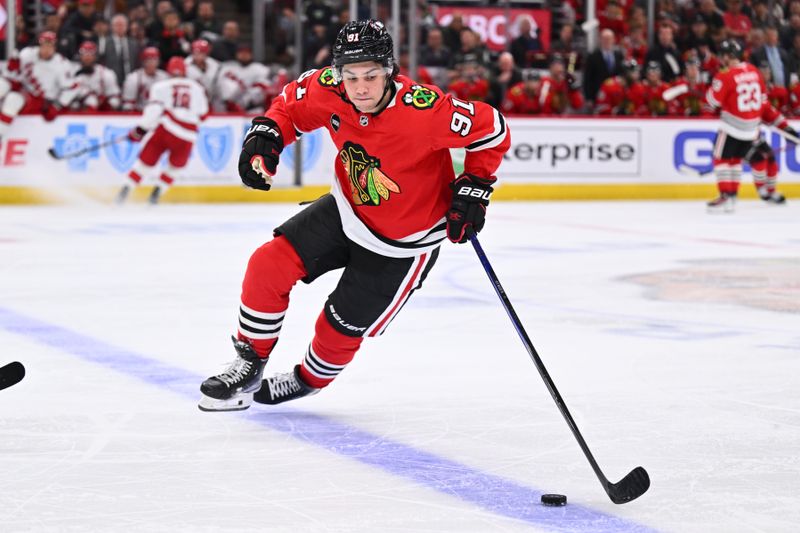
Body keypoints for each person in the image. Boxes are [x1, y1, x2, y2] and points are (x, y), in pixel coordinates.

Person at [198, 19, 510, 411]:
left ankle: (306, 380)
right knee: (267, 264)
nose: (360, 87)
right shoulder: (328, 88)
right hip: (347, 210)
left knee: (338, 327)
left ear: (389, 71)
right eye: (351, 76)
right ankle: (249, 362)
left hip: (404, 244)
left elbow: (493, 130)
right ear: (337, 73)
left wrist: (474, 187)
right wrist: (267, 136)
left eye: (371, 75)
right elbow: (288, 110)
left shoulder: (426, 111)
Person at [116, 56, 209, 205]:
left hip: (166, 129)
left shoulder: (161, 86)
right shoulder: (197, 88)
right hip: (188, 135)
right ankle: (157, 193)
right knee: (175, 168)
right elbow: (203, 115)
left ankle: (125, 191)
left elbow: (154, 111)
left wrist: (140, 130)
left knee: (145, 164)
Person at [705, 39, 767, 212]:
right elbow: (763, 100)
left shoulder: (725, 75)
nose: (721, 59)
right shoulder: (754, 71)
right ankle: (732, 197)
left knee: (722, 159)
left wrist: (714, 90)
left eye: (723, 55)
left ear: (730, 56)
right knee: (735, 160)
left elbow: (712, 101)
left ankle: (726, 195)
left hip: (732, 127)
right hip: (751, 128)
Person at [121, 46, 169, 111]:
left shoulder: (164, 77)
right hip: (140, 112)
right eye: (149, 60)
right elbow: (128, 104)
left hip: (159, 113)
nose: (152, 63)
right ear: (144, 62)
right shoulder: (134, 78)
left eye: (155, 59)